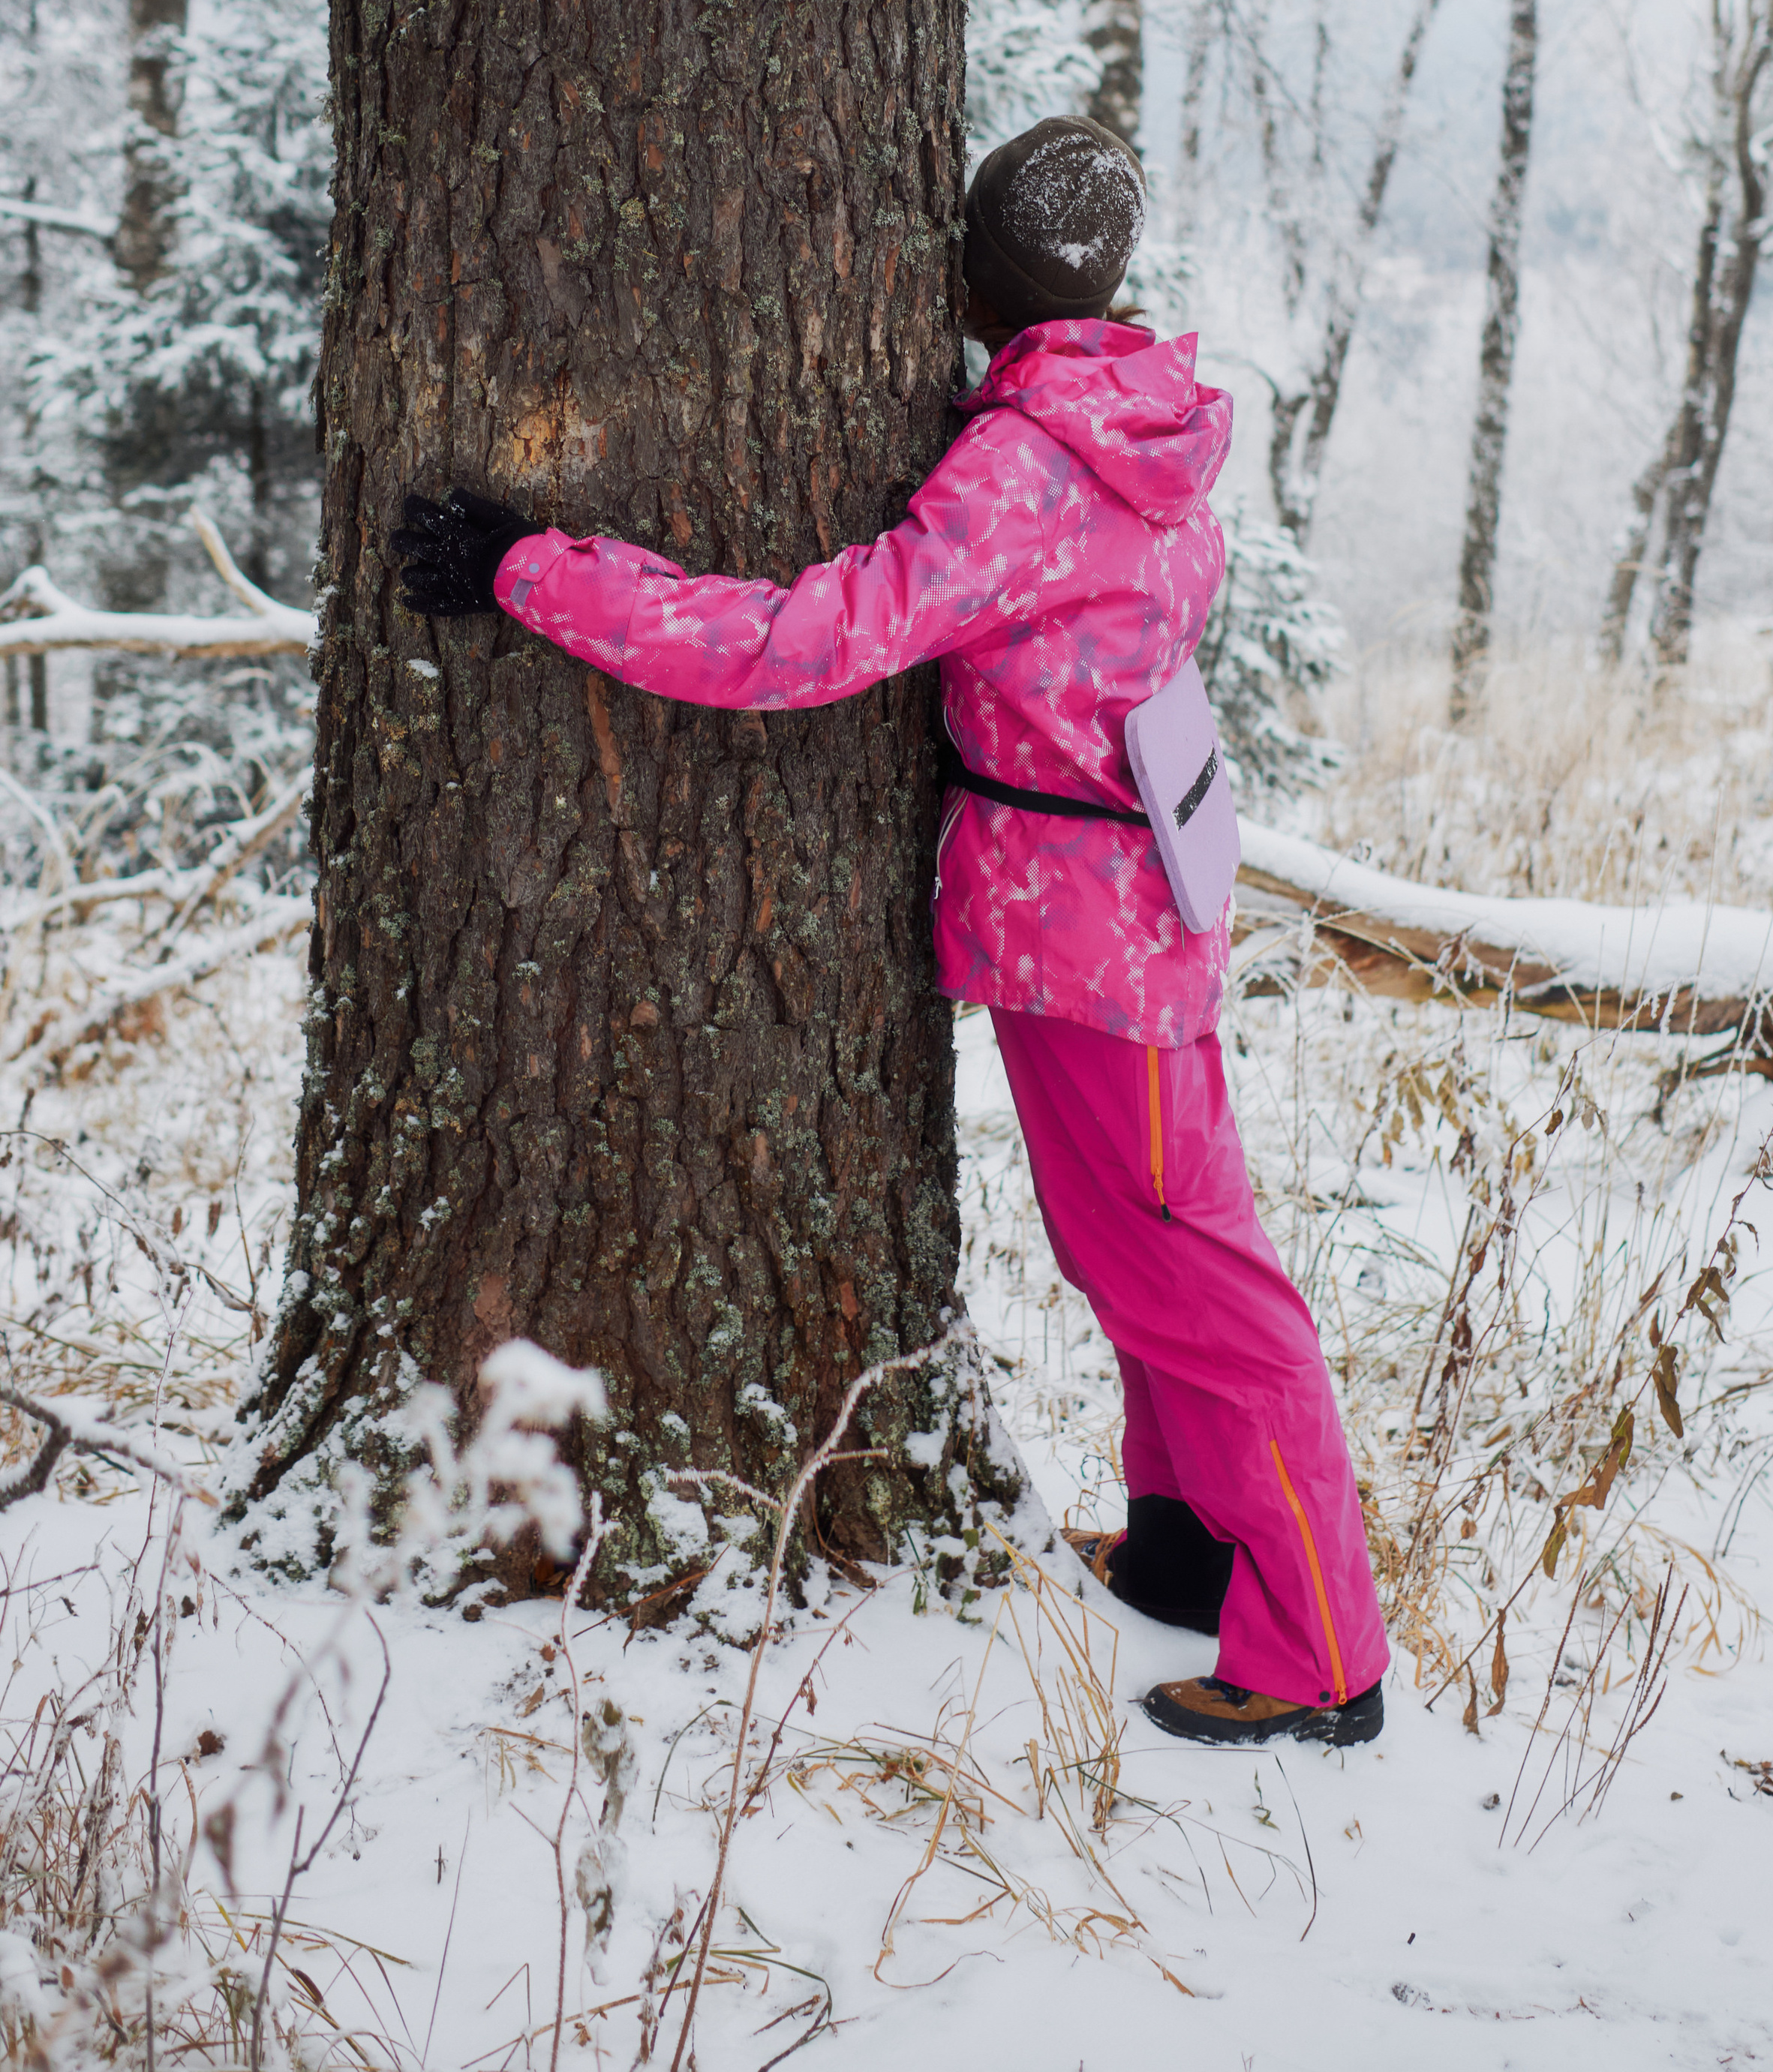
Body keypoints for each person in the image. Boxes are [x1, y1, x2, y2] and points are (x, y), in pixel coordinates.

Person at [392, 115, 1389, 1749]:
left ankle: (1321, 1652)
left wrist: (531, 568)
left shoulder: (1026, 461)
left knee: (1193, 1273)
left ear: (973, 266)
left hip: (1096, 924)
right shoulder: (1130, 414)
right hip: (1112, 898)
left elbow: (801, 642)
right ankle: (1186, 1544)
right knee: (1133, 1253)